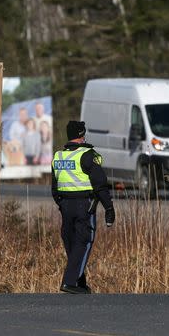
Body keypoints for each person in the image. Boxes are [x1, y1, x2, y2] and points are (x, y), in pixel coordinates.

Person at [51, 120, 115, 294]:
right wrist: (109, 208)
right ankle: (69, 282)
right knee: (84, 241)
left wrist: (62, 204)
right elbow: (100, 185)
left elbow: (54, 188)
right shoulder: (88, 155)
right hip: (84, 205)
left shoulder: (58, 156)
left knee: (71, 242)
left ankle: (79, 282)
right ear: (81, 135)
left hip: (65, 205)